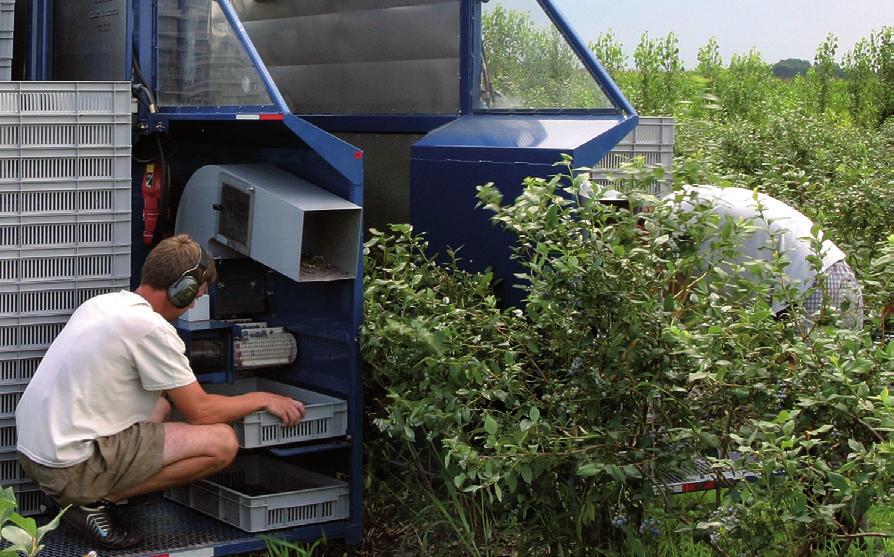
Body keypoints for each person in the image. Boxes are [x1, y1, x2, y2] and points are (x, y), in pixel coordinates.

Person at [15, 234, 307, 549]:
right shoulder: (152, 330)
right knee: (221, 442)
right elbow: (201, 411)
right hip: (72, 466)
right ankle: (92, 500)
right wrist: (263, 398)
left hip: (37, 455)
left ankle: (74, 493)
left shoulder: (106, 303)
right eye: (196, 296)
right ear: (182, 290)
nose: (194, 304)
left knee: (162, 408)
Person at [666, 185, 863, 330]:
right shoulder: (677, 205)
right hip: (794, 287)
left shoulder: (668, 220)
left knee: (813, 377)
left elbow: (672, 299)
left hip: (815, 283)